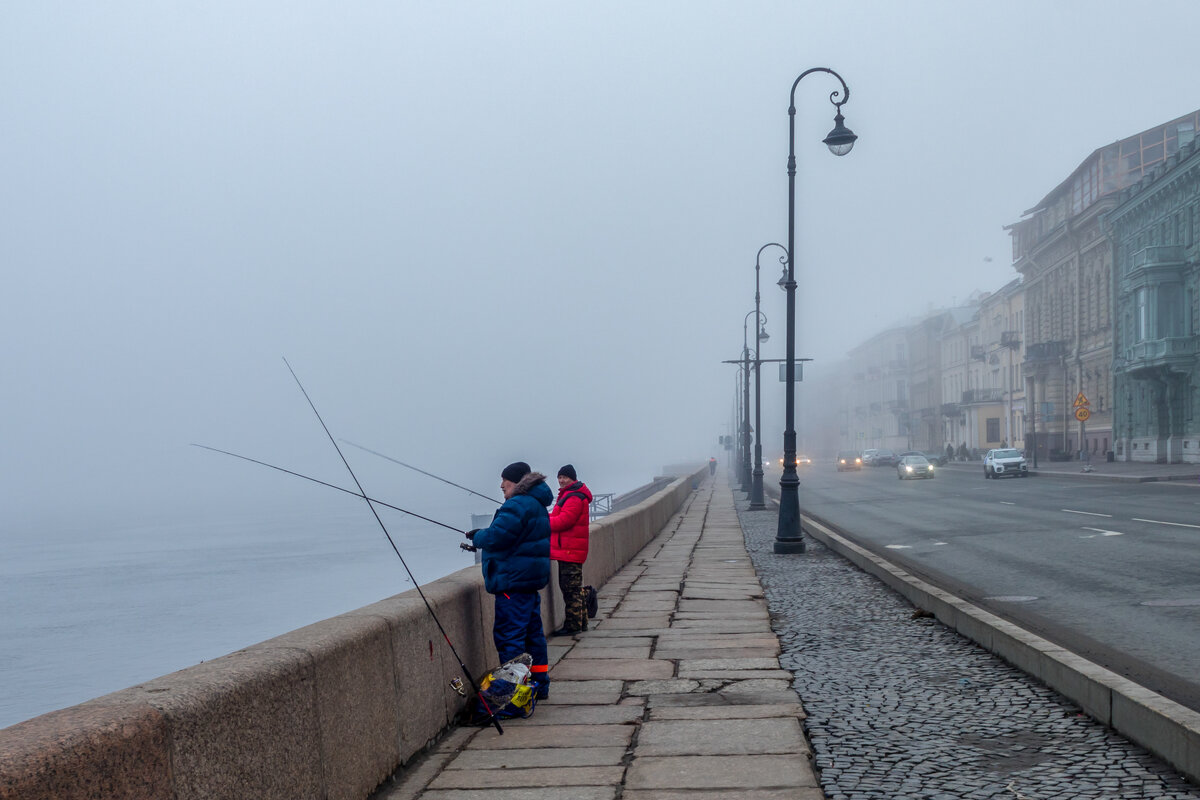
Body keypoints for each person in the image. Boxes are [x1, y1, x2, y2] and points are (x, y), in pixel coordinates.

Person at [466, 461, 553, 704]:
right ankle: (539, 685)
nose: (501, 485)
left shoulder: (517, 504)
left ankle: (514, 693)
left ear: (516, 482)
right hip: (527, 584)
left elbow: (497, 536)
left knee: (510, 637)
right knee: (533, 637)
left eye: (505, 480)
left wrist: (478, 536)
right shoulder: (536, 504)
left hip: (512, 585)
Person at [548, 464, 592, 636]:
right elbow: (557, 516)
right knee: (574, 588)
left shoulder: (573, 497)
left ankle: (572, 626)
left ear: (573, 479)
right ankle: (582, 622)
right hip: (569, 550)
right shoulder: (569, 495)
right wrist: (545, 516)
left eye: (564, 477)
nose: (561, 480)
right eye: (559, 477)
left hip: (570, 551)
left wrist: (542, 522)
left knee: (570, 589)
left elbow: (564, 521)